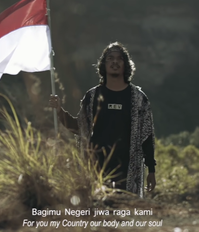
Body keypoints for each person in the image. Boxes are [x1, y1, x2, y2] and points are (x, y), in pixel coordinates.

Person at [49, 42, 157, 197]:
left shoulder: (139, 99)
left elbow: (147, 137)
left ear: (126, 65)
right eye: (110, 58)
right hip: (97, 170)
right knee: (101, 215)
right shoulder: (92, 97)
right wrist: (59, 111)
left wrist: (151, 170)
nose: (115, 62)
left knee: (128, 217)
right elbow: (79, 128)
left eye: (119, 59)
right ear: (103, 65)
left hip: (128, 172)